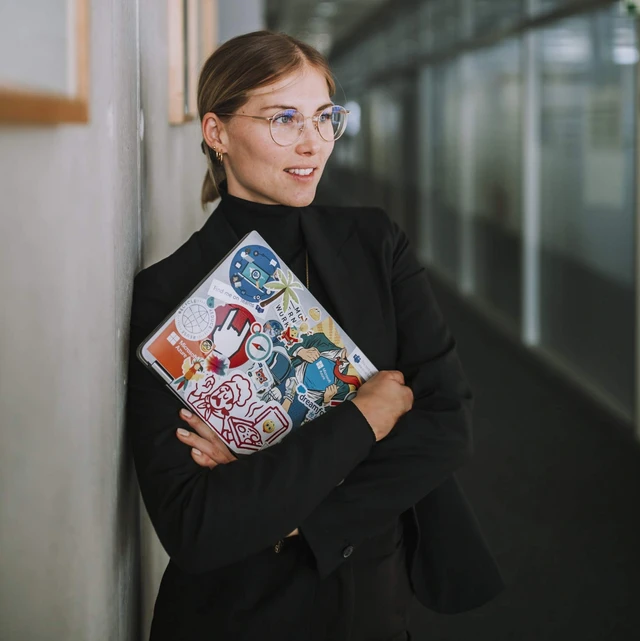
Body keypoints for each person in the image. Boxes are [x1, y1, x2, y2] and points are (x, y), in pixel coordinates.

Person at [126, 30, 504, 641]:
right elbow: (195, 524)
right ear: (216, 132)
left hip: (377, 604)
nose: (313, 144)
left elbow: (447, 426)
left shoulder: (376, 244)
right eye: (283, 119)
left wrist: (285, 501)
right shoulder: (174, 296)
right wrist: (367, 417)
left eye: (325, 118)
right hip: (241, 613)